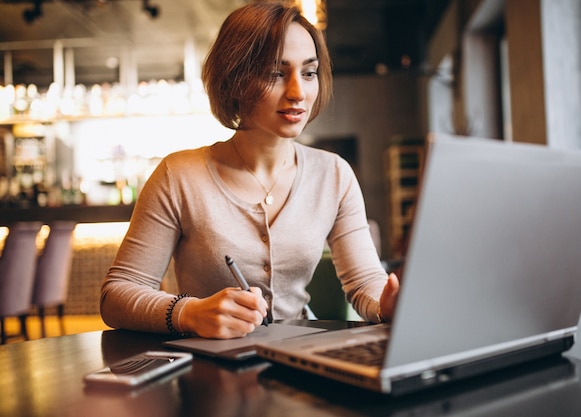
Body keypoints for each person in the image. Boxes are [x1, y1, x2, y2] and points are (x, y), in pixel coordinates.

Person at [100, 1, 400, 340]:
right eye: (276, 73)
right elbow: (117, 294)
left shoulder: (333, 174)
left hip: (303, 357)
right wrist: (190, 312)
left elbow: (365, 283)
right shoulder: (178, 176)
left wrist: (386, 303)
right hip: (209, 369)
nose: (298, 93)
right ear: (235, 79)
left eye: (309, 72)